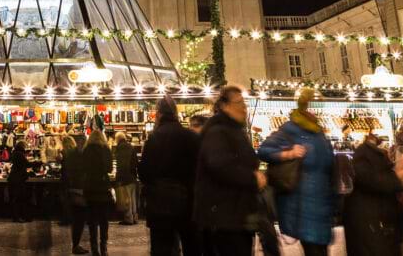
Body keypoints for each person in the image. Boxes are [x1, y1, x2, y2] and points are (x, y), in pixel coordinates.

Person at [258, 87, 335, 256]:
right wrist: (288, 153)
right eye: (313, 106)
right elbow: (263, 150)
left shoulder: (318, 132)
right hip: (302, 203)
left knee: (320, 248)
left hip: (322, 201)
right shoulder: (290, 129)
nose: (316, 110)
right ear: (304, 106)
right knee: (314, 249)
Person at [193, 85, 262, 256]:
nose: (243, 108)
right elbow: (220, 166)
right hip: (223, 217)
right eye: (238, 103)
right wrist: (253, 178)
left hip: (236, 215)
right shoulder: (218, 131)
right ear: (224, 106)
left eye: (243, 103)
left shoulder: (233, 130)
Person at [139, 96, 200, 256]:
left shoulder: (153, 138)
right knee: (191, 246)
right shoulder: (190, 136)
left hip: (159, 205)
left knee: (162, 248)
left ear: (158, 114)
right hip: (187, 203)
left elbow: (144, 172)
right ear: (176, 113)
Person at [342, 133, 403, 256]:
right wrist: (399, 178)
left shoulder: (370, 158)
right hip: (372, 227)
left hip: (376, 226)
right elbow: (371, 179)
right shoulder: (367, 156)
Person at [81, 129, 114, 256]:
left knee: (92, 221)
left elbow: (83, 167)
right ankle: (104, 246)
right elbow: (110, 168)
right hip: (103, 188)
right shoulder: (106, 150)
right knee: (104, 220)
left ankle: (94, 247)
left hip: (90, 188)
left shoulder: (86, 150)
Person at [61, 135, 88, 253]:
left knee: (78, 219)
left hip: (74, 188)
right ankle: (76, 245)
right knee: (79, 219)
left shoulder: (70, 155)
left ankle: (76, 244)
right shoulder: (83, 155)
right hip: (78, 189)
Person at [113, 132, 139, 225]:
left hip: (125, 177)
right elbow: (135, 161)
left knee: (127, 199)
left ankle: (128, 219)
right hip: (132, 176)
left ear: (117, 139)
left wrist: (118, 178)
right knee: (133, 199)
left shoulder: (120, 148)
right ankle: (135, 217)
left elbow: (121, 164)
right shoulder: (131, 146)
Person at [8, 140, 30, 223]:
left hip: (14, 178)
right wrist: (38, 163)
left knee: (16, 198)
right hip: (18, 179)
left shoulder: (15, 153)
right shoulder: (19, 154)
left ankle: (17, 216)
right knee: (18, 198)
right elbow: (26, 164)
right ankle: (17, 217)